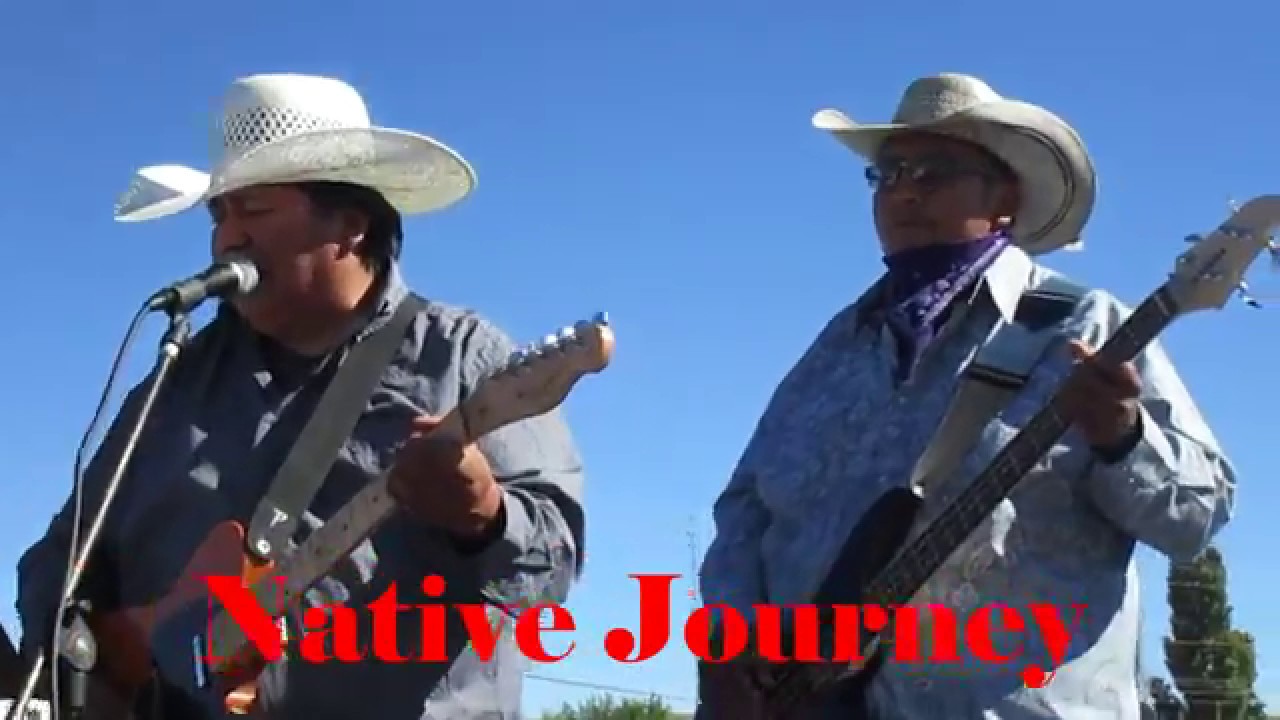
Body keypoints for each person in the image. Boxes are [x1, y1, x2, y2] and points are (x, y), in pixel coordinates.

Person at [15, 73, 587, 719]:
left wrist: (484, 514)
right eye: (218, 215)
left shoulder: (462, 356)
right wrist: (93, 661)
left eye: (253, 209)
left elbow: (550, 571)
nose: (228, 236)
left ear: (350, 226)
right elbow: (63, 556)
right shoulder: (176, 379)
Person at [696, 73, 1235, 719]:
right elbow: (747, 506)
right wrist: (731, 641)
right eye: (888, 173)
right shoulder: (836, 348)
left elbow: (1196, 517)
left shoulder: (1082, 325)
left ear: (1005, 195)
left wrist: (1122, 436)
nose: (903, 191)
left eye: (932, 171)